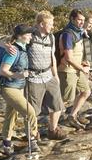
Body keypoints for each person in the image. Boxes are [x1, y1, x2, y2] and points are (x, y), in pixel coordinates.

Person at [4, 11, 67, 140]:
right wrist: (4, 46)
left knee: (57, 104)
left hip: (49, 75)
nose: (52, 26)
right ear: (42, 24)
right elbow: (7, 40)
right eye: (50, 24)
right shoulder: (30, 35)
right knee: (33, 110)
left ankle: (53, 130)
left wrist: (55, 76)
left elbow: (52, 57)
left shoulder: (51, 37)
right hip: (33, 78)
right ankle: (33, 134)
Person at [0, 24, 39, 155]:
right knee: (30, 112)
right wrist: (18, 75)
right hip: (10, 88)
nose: (31, 36)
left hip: (18, 87)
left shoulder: (23, 46)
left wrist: (3, 43)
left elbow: (3, 40)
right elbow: (3, 70)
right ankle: (32, 140)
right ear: (20, 36)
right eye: (28, 34)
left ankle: (6, 143)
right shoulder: (14, 51)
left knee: (12, 114)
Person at [58, 9, 91, 129]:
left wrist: (82, 62)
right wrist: (83, 69)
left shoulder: (78, 33)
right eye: (79, 20)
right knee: (65, 99)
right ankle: (54, 124)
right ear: (72, 19)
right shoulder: (68, 34)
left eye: (83, 20)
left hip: (77, 69)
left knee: (85, 91)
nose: (82, 22)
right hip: (67, 70)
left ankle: (72, 116)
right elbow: (68, 58)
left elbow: (75, 54)